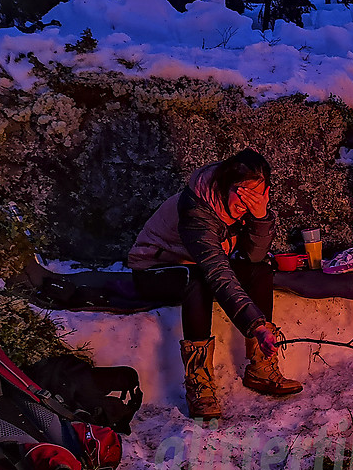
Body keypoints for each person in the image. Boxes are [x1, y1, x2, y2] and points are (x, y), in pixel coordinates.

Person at [128, 149, 302, 420]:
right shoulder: (197, 207)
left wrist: (260, 216)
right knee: (197, 279)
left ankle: (260, 367)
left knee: (260, 268)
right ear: (224, 185)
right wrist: (256, 325)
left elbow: (254, 255)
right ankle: (198, 383)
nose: (247, 200)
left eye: (255, 194)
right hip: (155, 269)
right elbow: (216, 270)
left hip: (198, 265)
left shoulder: (248, 205)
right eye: (241, 192)